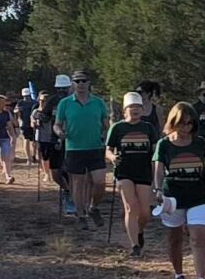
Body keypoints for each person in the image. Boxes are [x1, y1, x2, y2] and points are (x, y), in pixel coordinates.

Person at [153, 101, 205, 279]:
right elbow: (159, 168)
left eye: (190, 124)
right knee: (174, 238)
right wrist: (158, 189)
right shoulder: (164, 144)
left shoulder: (200, 143)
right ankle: (179, 275)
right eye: (182, 123)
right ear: (173, 122)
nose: (186, 128)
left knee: (198, 238)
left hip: (198, 196)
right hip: (173, 197)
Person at [54, 71, 112, 226]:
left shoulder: (98, 102)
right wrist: (59, 133)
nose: (80, 84)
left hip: (95, 148)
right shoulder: (65, 103)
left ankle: (93, 207)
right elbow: (57, 124)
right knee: (78, 183)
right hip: (74, 148)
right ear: (73, 83)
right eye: (77, 81)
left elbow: (107, 125)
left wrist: (108, 138)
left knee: (100, 182)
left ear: (89, 83)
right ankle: (81, 215)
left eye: (83, 81)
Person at [108, 92, 161, 255]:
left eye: (138, 107)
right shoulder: (117, 128)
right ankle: (134, 246)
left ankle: (138, 231)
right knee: (131, 208)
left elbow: (155, 150)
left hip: (143, 171)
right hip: (124, 171)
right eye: (132, 107)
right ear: (125, 110)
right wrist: (112, 157)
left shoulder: (148, 128)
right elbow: (108, 149)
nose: (135, 110)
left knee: (145, 212)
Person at [35, 76, 70, 215]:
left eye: (64, 88)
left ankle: (72, 196)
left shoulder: (74, 101)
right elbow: (45, 116)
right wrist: (39, 116)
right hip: (54, 140)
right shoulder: (52, 101)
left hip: (73, 140)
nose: (62, 91)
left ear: (69, 88)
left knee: (70, 171)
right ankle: (67, 190)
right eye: (59, 88)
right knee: (55, 172)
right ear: (56, 88)